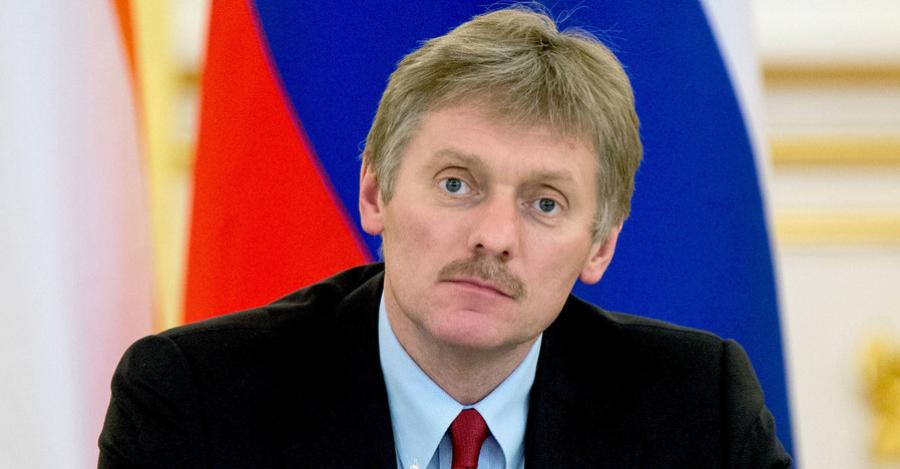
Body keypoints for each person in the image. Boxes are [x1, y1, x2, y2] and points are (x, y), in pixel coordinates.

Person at [99, 6, 791, 468]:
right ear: (376, 193)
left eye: (544, 203)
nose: (494, 237)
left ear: (600, 246)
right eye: (457, 184)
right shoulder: (195, 401)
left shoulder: (698, 412)